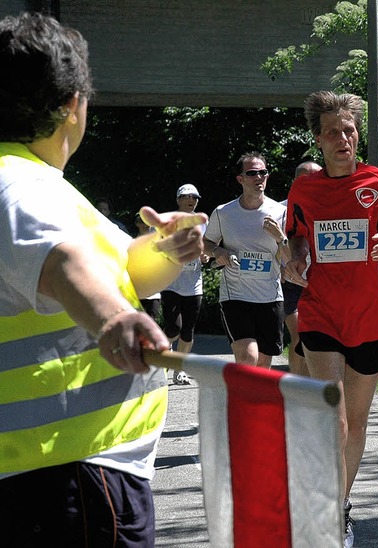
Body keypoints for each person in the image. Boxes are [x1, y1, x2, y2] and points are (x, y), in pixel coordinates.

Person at [0, 12, 207, 547]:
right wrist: (114, 317)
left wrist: (163, 249)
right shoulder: (17, 187)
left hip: (59, 473)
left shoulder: (35, 184)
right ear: (73, 104)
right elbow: (62, 262)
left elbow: (119, 270)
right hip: (69, 477)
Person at [284, 91, 378, 548]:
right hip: (321, 314)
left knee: (357, 424)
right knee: (335, 421)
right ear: (318, 141)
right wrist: (295, 258)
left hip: (370, 319)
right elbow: (297, 237)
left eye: (349, 130)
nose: (343, 138)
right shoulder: (305, 188)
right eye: (332, 133)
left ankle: (339, 505)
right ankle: (326, 522)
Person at [204, 152, 287, 368]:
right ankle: (242, 399)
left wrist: (281, 238)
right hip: (236, 296)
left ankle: (252, 401)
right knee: (248, 356)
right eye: (252, 173)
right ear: (240, 179)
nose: (259, 177)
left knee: (263, 363)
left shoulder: (280, 212)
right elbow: (206, 243)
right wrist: (218, 252)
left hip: (269, 296)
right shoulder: (224, 213)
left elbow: (288, 257)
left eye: (263, 172)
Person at [161, 183, 210, 385]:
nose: (192, 200)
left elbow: (208, 246)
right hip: (171, 283)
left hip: (194, 284)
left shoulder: (203, 222)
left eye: (195, 198)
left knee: (187, 331)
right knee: (173, 328)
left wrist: (206, 256)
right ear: (178, 199)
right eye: (187, 197)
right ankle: (165, 352)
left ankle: (179, 370)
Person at [281, 160, 322, 376]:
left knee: (317, 338)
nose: (312, 181)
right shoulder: (281, 210)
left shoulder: (331, 206)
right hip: (292, 282)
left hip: (322, 281)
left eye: (317, 176)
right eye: (306, 177)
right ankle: (298, 386)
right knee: (299, 335)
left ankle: (315, 384)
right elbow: (272, 248)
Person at [134, 212, 161, 323]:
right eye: (141, 222)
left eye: (147, 222)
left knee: (151, 322)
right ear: (136, 224)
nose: (145, 225)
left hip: (154, 292)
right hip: (138, 291)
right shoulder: (132, 242)